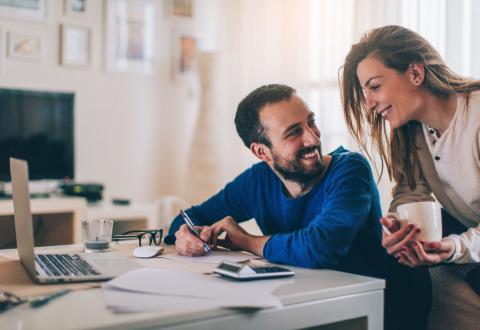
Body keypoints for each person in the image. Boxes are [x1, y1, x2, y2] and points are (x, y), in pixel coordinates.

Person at [164, 84, 385, 279]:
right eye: (294, 132)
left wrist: (247, 241)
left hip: (366, 309)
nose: (313, 138)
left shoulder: (350, 170)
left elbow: (321, 247)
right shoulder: (258, 180)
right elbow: (189, 218)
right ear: (262, 152)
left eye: (311, 122)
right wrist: (186, 235)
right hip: (299, 299)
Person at [340, 25, 480, 330]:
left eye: (374, 87)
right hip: (471, 239)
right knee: (385, 256)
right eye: (364, 92)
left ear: (416, 74)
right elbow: (410, 192)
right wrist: (398, 228)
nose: (369, 104)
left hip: (471, 242)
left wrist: (455, 247)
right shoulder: (413, 132)